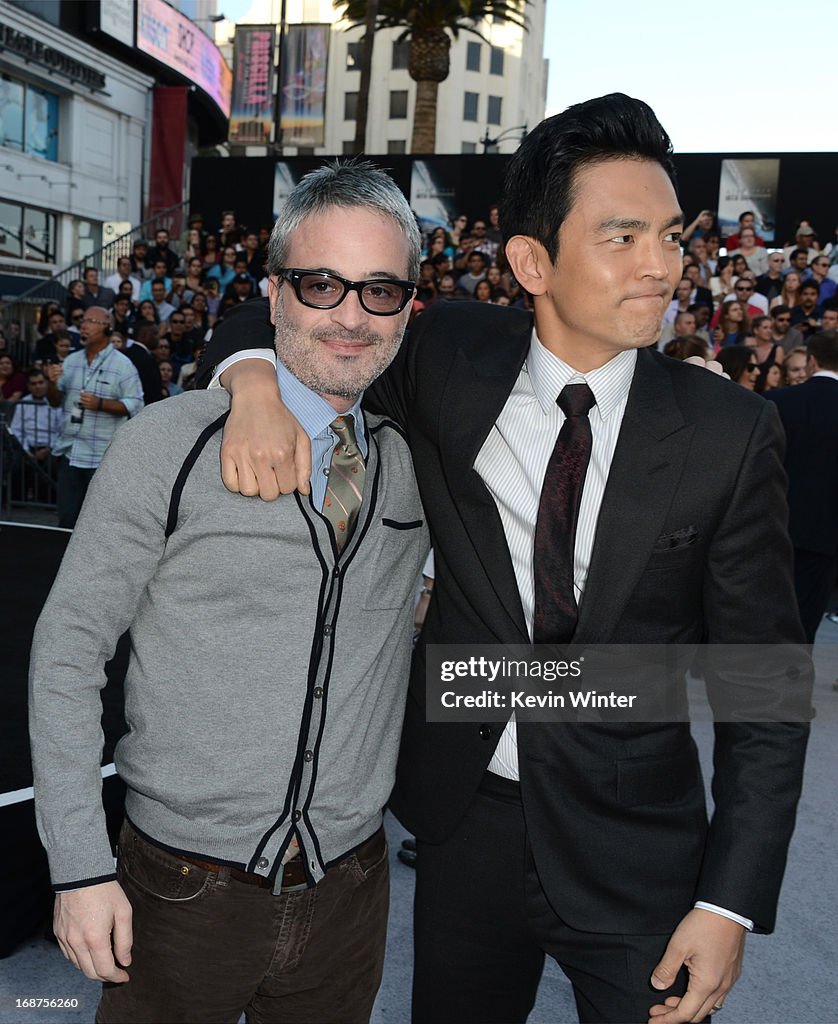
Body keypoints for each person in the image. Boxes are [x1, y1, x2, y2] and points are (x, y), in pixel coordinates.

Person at [204, 95, 811, 1024]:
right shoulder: (449, 353)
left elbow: (763, 689)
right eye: (621, 237)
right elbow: (290, 317)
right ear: (533, 261)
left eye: (671, 235)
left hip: (638, 852)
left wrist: (728, 901)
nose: (662, 265)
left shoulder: (729, 432)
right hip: (463, 830)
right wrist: (251, 387)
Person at [29, 161, 428, 1024]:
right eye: (320, 284)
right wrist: (79, 867)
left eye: (380, 290)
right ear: (273, 294)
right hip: (178, 889)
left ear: (410, 308)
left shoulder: (414, 464)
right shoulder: (166, 445)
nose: (351, 315)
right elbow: (66, 653)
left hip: (350, 893)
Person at [766, 332, 838, 644]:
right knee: (804, 621)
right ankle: (793, 683)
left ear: (811, 361)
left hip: (772, 524)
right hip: (826, 534)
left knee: (762, 615)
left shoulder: (780, 401)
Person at [45, 308, 143, 528]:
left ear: (107, 327)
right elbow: (53, 400)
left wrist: (101, 404)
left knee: (97, 524)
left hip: (101, 456)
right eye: (82, 321)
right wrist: (51, 383)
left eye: (91, 321)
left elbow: (136, 405)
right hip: (70, 451)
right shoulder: (71, 361)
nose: (84, 326)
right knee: (67, 520)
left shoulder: (122, 365)